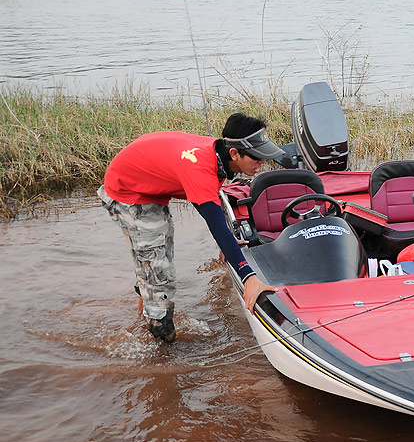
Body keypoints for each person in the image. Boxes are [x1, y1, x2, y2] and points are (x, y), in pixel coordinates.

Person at [98, 113, 284, 342]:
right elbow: (214, 221)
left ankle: (142, 307)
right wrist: (249, 277)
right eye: (257, 158)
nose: (262, 162)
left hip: (146, 185)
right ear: (235, 153)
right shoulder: (201, 169)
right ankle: (160, 349)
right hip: (127, 192)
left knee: (157, 258)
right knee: (160, 277)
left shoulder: (218, 155)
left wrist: (228, 242)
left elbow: (206, 205)